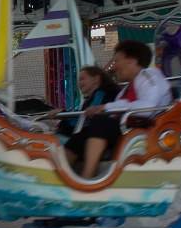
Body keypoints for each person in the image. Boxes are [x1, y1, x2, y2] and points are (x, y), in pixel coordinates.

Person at [65, 40, 172, 178]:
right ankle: (63, 176)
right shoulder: (126, 89)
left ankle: (87, 178)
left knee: (101, 122)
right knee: (80, 137)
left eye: (117, 60)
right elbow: (119, 108)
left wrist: (106, 107)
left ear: (132, 60)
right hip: (130, 131)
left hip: (149, 133)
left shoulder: (149, 76)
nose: (114, 67)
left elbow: (147, 109)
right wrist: (102, 108)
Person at [51, 65, 120, 137]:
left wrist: (63, 114)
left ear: (96, 79)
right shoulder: (90, 99)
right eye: (78, 80)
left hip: (94, 135)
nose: (79, 83)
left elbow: (88, 116)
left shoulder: (105, 93)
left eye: (82, 79)